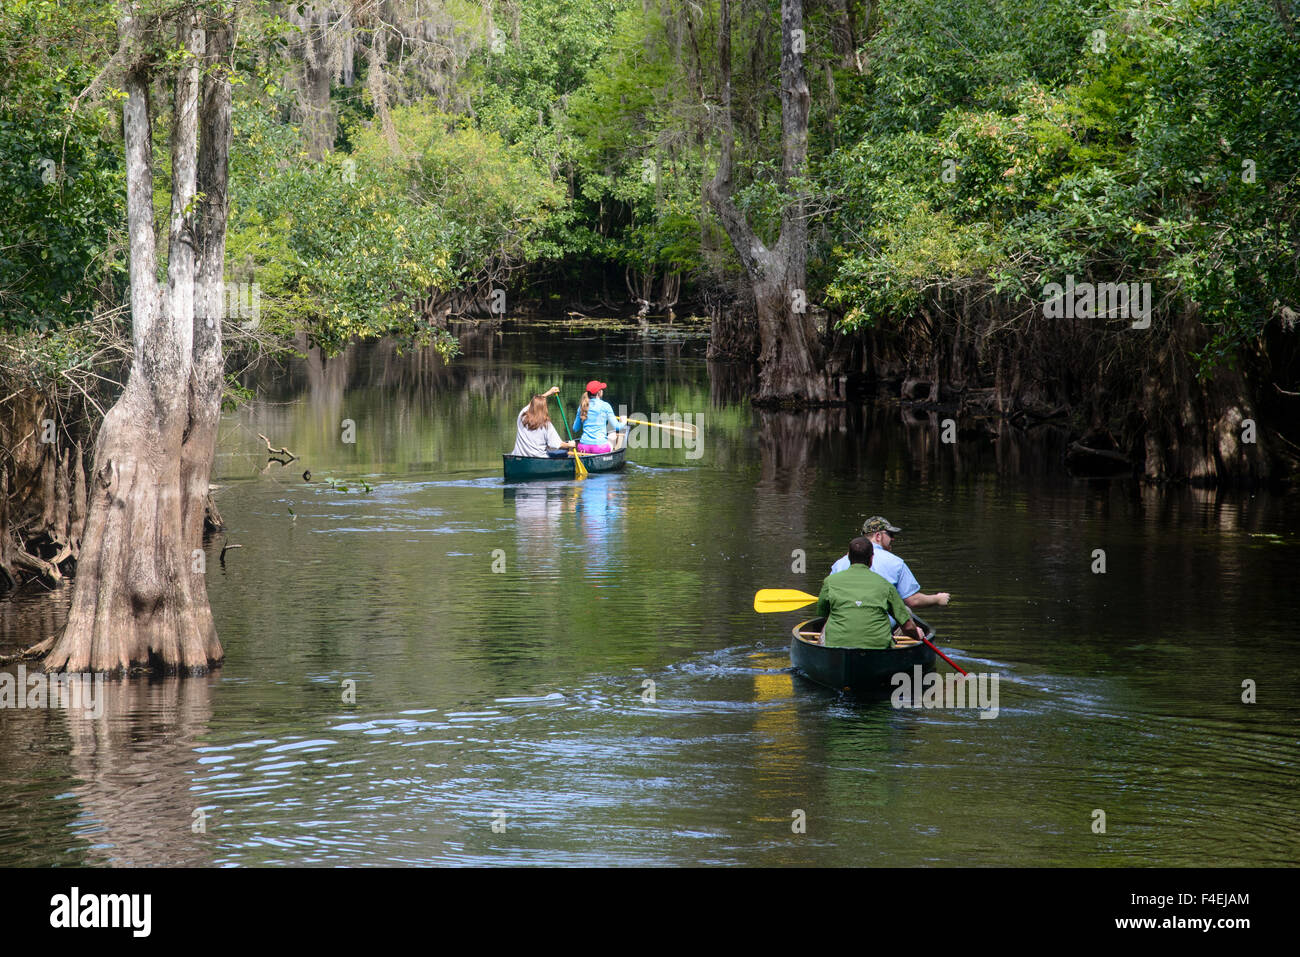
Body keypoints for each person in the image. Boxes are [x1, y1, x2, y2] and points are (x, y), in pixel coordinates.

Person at [816, 538, 928, 648]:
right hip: (878, 649)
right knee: (905, 613)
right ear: (871, 558)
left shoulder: (829, 582)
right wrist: (916, 634)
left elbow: (823, 613)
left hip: (837, 648)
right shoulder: (886, 585)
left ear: (849, 557)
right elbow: (907, 627)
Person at [830, 516, 951, 610]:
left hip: (843, 622)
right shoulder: (896, 563)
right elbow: (913, 601)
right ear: (878, 536)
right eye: (890, 535)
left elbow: (829, 599)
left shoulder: (839, 564)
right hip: (880, 627)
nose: (892, 539)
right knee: (906, 611)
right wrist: (937, 599)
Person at [511, 387, 575, 458]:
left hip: (518, 456)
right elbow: (556, 444)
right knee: (565, 452)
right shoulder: (546, 424)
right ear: (545, 408)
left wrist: (549, 393)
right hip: (538, 458)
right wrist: (569, 444)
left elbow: (531, 404)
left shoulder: (522, 416)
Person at [571, 380, 627, 454]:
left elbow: (575, 429)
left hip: (583, 447)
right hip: (599, 448)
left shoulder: (582, 406)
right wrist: (623, 421)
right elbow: (617, 427)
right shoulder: (605, 406)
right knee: (612, 434)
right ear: (599, 392)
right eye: (602, 390)